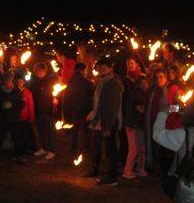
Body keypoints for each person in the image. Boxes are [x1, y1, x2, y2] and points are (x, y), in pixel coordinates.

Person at [153, 95, 194, 176]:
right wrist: (181, 110)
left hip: (186, 177)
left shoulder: (182, 135)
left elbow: (157, 134)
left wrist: (164, 111)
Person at [86, 58, 124, 186]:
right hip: (100, 120)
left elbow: (112, 107)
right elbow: (99, 101)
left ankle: (111, 176)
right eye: (100, 69)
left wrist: (107, 127)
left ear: (110, 68)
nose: (102, 71)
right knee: (96, 145)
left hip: (109, 122)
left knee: (111, 148)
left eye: (104, 69)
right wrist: (94, 113)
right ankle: (97, 170)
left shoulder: (112, 84)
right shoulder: (102, 82)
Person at [0, 72, 25, 161]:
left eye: (9, 81)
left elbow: (21, 104)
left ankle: (18, 155)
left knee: (17, 138)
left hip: (14, 119)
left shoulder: (17, 91)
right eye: (5, 81)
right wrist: (2, 106)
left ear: (12, 81)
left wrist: (12, 106)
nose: (7, 83)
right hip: (3, 119)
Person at [62, 63, 94, 153]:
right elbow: (92, 94)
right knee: (87, 130)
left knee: (75, 129)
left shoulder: (70, 82)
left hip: (74, 109)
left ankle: (73, 147)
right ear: (82, 70)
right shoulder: (87, 82)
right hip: (85, 108)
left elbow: (67, 97)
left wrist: (66, 111)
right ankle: (86, 147)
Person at [122, 75, 149, 179]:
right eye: (145, 83)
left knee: (140, 149)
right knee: (134, 149)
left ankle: (139, 169)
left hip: (137, 125)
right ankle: (127, 171)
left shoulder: (140, 93)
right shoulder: (138, 93)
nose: (146, 85)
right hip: (133, 125)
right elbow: (140, 108)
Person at [30, 62, 58, 160]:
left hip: (48, 110)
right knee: (40, 130)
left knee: (50, 131)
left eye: (40, 71)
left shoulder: (51, 80)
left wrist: (55, 99)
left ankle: (52, 150)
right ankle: (44, 148)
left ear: (44, 71)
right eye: (37, 72)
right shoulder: (34, 81)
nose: (39, 73)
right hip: (37, 110)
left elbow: (57, 92)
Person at [144, 67, 169, 170]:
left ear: (166, 78)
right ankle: (151, 164)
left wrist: (174, 108)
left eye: (161, 77)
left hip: (162, 123)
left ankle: (160, 167)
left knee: (160, 145)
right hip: (150, 120)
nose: (159, 80)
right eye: (157, 77)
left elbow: (176, 107)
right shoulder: (152, 89)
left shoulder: (170, 90)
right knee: (150, 143)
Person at [16, 75, 37, 155]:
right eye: (18, 81)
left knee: (25, 135)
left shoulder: (27, 93)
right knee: (18, 135)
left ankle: (25, 150)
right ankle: (19, 150)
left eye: (21, 81)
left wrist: (31, 117)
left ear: (24, 82)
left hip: (25, 119)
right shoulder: (14, 92)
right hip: (16, 118)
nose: (19, 83)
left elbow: (30, 106)